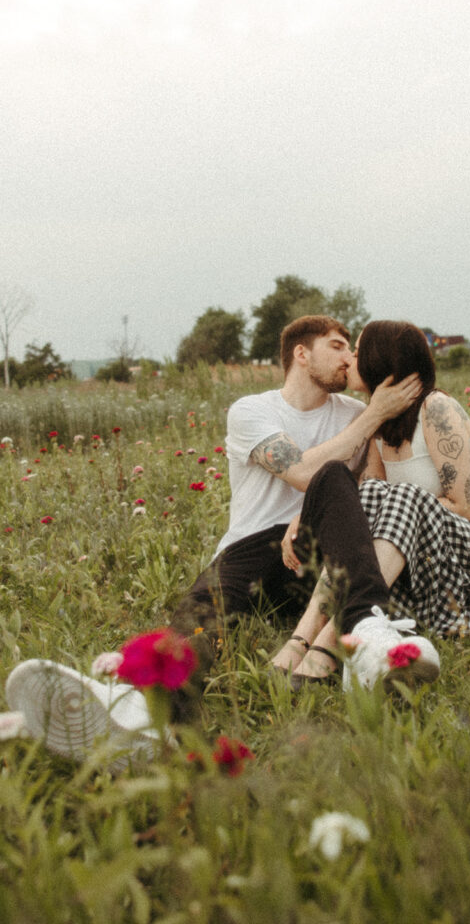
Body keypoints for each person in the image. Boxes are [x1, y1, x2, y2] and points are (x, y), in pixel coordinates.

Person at [5, 315, 440, 761]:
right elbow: (302, 472)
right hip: (253, 548)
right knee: (205, 617)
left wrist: (371, 418)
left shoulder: (354, 415)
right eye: (337, 345)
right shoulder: (253, 410)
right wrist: (373, 415)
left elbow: (373, 494)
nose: (350, 356)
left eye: (352, 347)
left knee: (337, 481)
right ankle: (143, 713)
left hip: (318, 555)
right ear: (301, 353)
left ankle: (366, 630)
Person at [272, 320, 470, 690]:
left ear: (379, 361)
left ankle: (326, 644)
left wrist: (412, 504)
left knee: (402, 495)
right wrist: (307, 513)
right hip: (426, 555)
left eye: (357, 351)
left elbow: (467, 509)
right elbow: (369, 497)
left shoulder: (437, 408)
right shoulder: (377, 423)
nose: (350, 360)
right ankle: (302, 636)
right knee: (371, 495)